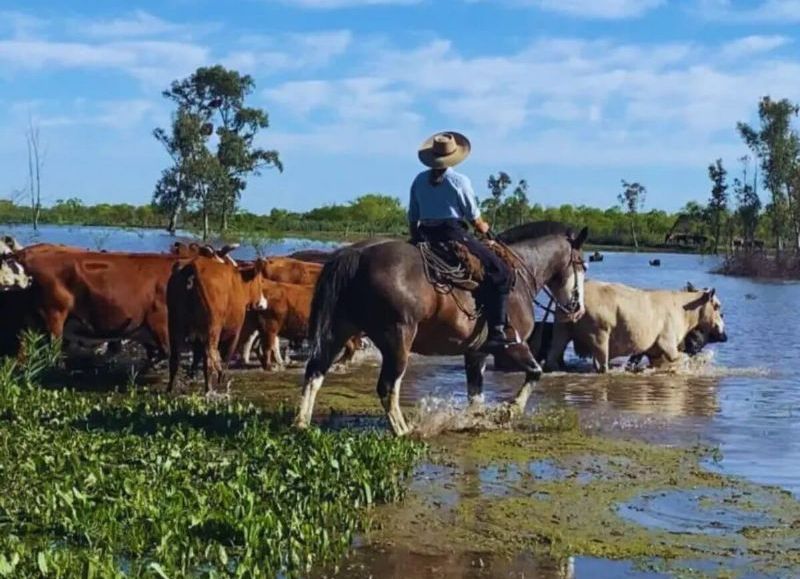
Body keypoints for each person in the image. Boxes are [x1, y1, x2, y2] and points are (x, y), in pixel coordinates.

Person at [408, 131, 514, 352]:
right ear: (454, 156)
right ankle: (497, 331)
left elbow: (413, 215)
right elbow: (473, 215)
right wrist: (486, 231)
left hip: (424, 234)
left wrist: (415, 237)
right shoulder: (458, 180)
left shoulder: (419, 179)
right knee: (501, 271)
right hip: (452, 234)